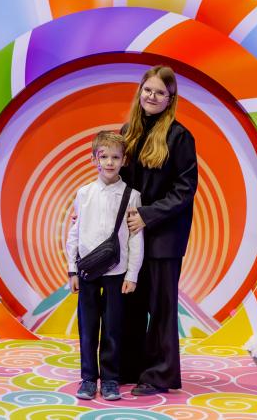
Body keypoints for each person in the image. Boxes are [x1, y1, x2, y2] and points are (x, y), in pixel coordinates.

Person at [118, 65, 198, 396]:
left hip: (165, 235)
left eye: (160, 92)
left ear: (170, 99)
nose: (152, 96)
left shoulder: (180, 136)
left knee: (161, 307)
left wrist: (147, 215)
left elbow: (185, 189)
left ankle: (159, 374)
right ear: (140, 91)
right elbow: (118, 180)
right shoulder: (127, 132)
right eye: (148, 90)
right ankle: (129, 367)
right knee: (132, 302)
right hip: (133, 233)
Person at [66, 131, 144, 401]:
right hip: (87, 272)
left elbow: (135, 238)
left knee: (112, 329)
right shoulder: (84, 193)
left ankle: (110, 380)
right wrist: (72, 270)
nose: (109, 162)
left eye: (116, 157)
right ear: (94, 159)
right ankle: (88, 379)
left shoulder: (132, 196)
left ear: (124, 161)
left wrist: (132, 274)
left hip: (117, 273)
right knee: (88, 329)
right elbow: (74, 234)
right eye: (104, 156)